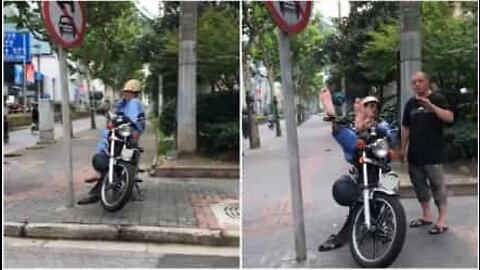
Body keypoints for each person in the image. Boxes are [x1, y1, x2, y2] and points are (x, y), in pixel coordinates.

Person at [318, 95, 397, 251]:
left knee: (393, 183)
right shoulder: (352, 127)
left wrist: (375, 129)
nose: (373, 108)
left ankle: (388, 218)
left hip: (380, 169)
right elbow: (342, 134)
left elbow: (390, 136)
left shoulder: (382, 125)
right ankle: (346, 234)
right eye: (368, 105)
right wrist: (335, 119)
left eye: (375, 106)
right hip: (362, 169)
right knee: (354, 196)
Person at [400, 71, 453, 234]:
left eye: (420, 81)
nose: (417, 84)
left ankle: (442, 220)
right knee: (419, 186)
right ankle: (427, 216)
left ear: (427, 82)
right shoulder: (410, 104)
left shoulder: (437, 98)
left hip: (433, 153)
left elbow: (450, 117)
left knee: (437, 186)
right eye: (414, 82)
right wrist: (403, 148)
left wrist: (432, 108)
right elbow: (406, 127)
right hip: (415, 154)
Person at [78, 79, 146, 205]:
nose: (126, 94)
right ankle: (102, 186)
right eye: (125, 92)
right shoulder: (125, 104)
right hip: (120, 139)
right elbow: (117, 117)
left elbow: (132, 122)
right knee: (107, 155)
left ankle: (99, 190)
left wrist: (119, 123)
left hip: (126, 140)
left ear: (134, 93)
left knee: (112, 161)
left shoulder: (134, 103)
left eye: (128, 92)